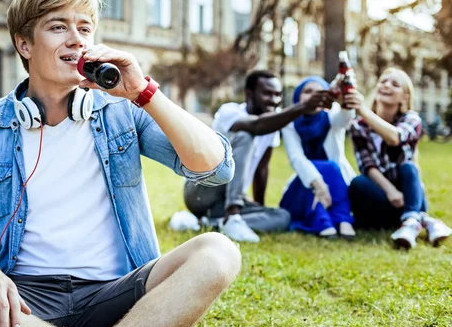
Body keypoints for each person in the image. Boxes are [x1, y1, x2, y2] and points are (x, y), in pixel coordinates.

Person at [0, 0, 241, 327]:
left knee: (218, 251)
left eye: (84, 28)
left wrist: (144, 93)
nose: (75, 39)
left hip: (118, 295)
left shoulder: (122, 111)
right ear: (24, 44)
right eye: (58, 26)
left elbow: (216, 168)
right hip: (23, 303)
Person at [184, 70, 332, 242]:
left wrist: (259, 208)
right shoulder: (229, 112)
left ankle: (209, 223)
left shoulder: (271, 128)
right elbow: (255, 126)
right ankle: (232, 216)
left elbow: (261, 169)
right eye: (267, 94)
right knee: (245, 136)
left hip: (224, 203)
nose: (274, 100)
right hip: (201, 191)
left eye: (278, 95)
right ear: (249, 94)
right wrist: (303, 107)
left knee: (283, 216)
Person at [346, 68, 452, 249]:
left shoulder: (412, 120)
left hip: (409, 193)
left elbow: (395, 138)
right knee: (358, 183)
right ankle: (423, 220)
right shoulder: (358, 127)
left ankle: (411, 221)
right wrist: (390, 192)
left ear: (404, 97)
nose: (386, 85)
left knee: (409, 168)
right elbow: (367, 166)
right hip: (381, 194)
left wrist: (362, 109)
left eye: (395, 84)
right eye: (383, 81)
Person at [279, 77, 356, 238]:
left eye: (319, 92)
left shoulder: (332, 117)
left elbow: (346, 118)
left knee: (331, 168)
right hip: (304, 185)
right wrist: (318, 182)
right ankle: (334, 219)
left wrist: (344, 98)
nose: (314, 96)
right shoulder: (290, 123)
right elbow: (297, 159)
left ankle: (334, 220)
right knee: (326, 168)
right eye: (307, 92)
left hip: (336, 185)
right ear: (298, 98)